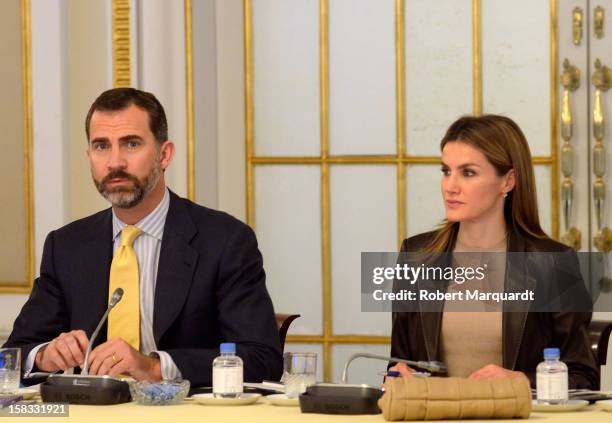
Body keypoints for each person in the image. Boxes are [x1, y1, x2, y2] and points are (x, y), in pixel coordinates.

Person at [3, 88, 283, 387]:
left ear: (165, 154)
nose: (115, 162)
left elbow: (262, 360)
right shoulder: (66, 246)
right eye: (101, 146)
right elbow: (12, 354)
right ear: (89, 156)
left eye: (131, 144)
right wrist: (45, 355)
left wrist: (154, 367)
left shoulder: (225, 240)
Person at [389, 114, 599, 389]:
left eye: (468, 173)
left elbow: (584, 378)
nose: (450, 187)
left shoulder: (553, 264)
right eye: (446, 171)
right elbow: (397, 366)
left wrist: (522, 381)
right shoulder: (416, 256)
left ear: (508, 181)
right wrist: (396, 376)